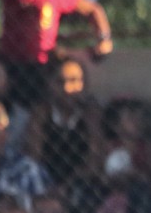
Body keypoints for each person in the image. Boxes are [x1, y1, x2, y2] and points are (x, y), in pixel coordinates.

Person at [24, 57, 106, 192]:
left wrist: (68, 186)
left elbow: (94, 160)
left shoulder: (90, 116)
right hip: (45, 182)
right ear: (50, 84)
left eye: (74, 81)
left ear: (84, 84)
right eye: (60, 82)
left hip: (81, 183)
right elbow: (33, 156)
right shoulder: (41, 114)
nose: (67, 89)